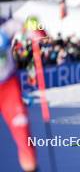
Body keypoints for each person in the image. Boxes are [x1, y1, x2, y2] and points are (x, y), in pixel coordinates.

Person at [0, 29, 37, 172]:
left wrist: (36, 31)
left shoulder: (8, 24)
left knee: (24, 140)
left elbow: (31, 25)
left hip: (8, 87)